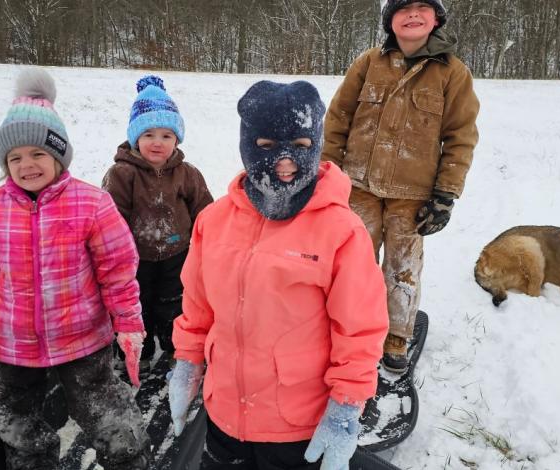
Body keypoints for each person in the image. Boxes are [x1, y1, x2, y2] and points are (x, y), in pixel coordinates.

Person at [167, 80, 389, 470]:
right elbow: (197, 305)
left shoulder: (342, 231)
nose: (284, 162)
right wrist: (188, 361)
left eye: (300, 147)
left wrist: (345, 409)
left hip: (295, 424)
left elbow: (359, 329)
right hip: (224, 412)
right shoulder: (214, 221)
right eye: (267, 147)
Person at [0, 68, 149, 470]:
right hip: (10, 345)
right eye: (14, 157)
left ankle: (127, 460)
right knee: (17, 425)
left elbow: (117, 272)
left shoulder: (92, 204)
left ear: (58, 155)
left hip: (82, 340)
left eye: (38, 154)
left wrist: (129, 325)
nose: (26, 164)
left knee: (110, 416)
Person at [322, 0, 479, 372]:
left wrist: (445, 195)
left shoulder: (453, 73)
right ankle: (347, 326)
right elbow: (338, 118)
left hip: (412, 195)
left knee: (402, 267)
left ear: (436, 19)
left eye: (423, 8)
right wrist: (327, 173)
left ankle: (396, 334)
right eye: (403, 8)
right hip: (357, 185)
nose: (413, 15)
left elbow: (461, 137)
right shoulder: (368, 62)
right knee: (351, 263)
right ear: (389, 20)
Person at [103, 75, 213, 368]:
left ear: (176, 138)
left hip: (178, 254)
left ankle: (171, 342)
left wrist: (209, 242)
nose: (157, 143)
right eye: (149, 134)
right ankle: (139, 347)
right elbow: (110, 220)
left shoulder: (187, 173)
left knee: (173, 301)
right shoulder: (122, 175)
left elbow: (204, 210)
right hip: (134, 259)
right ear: (135, 136)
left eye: (166, 135)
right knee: (138, 304)